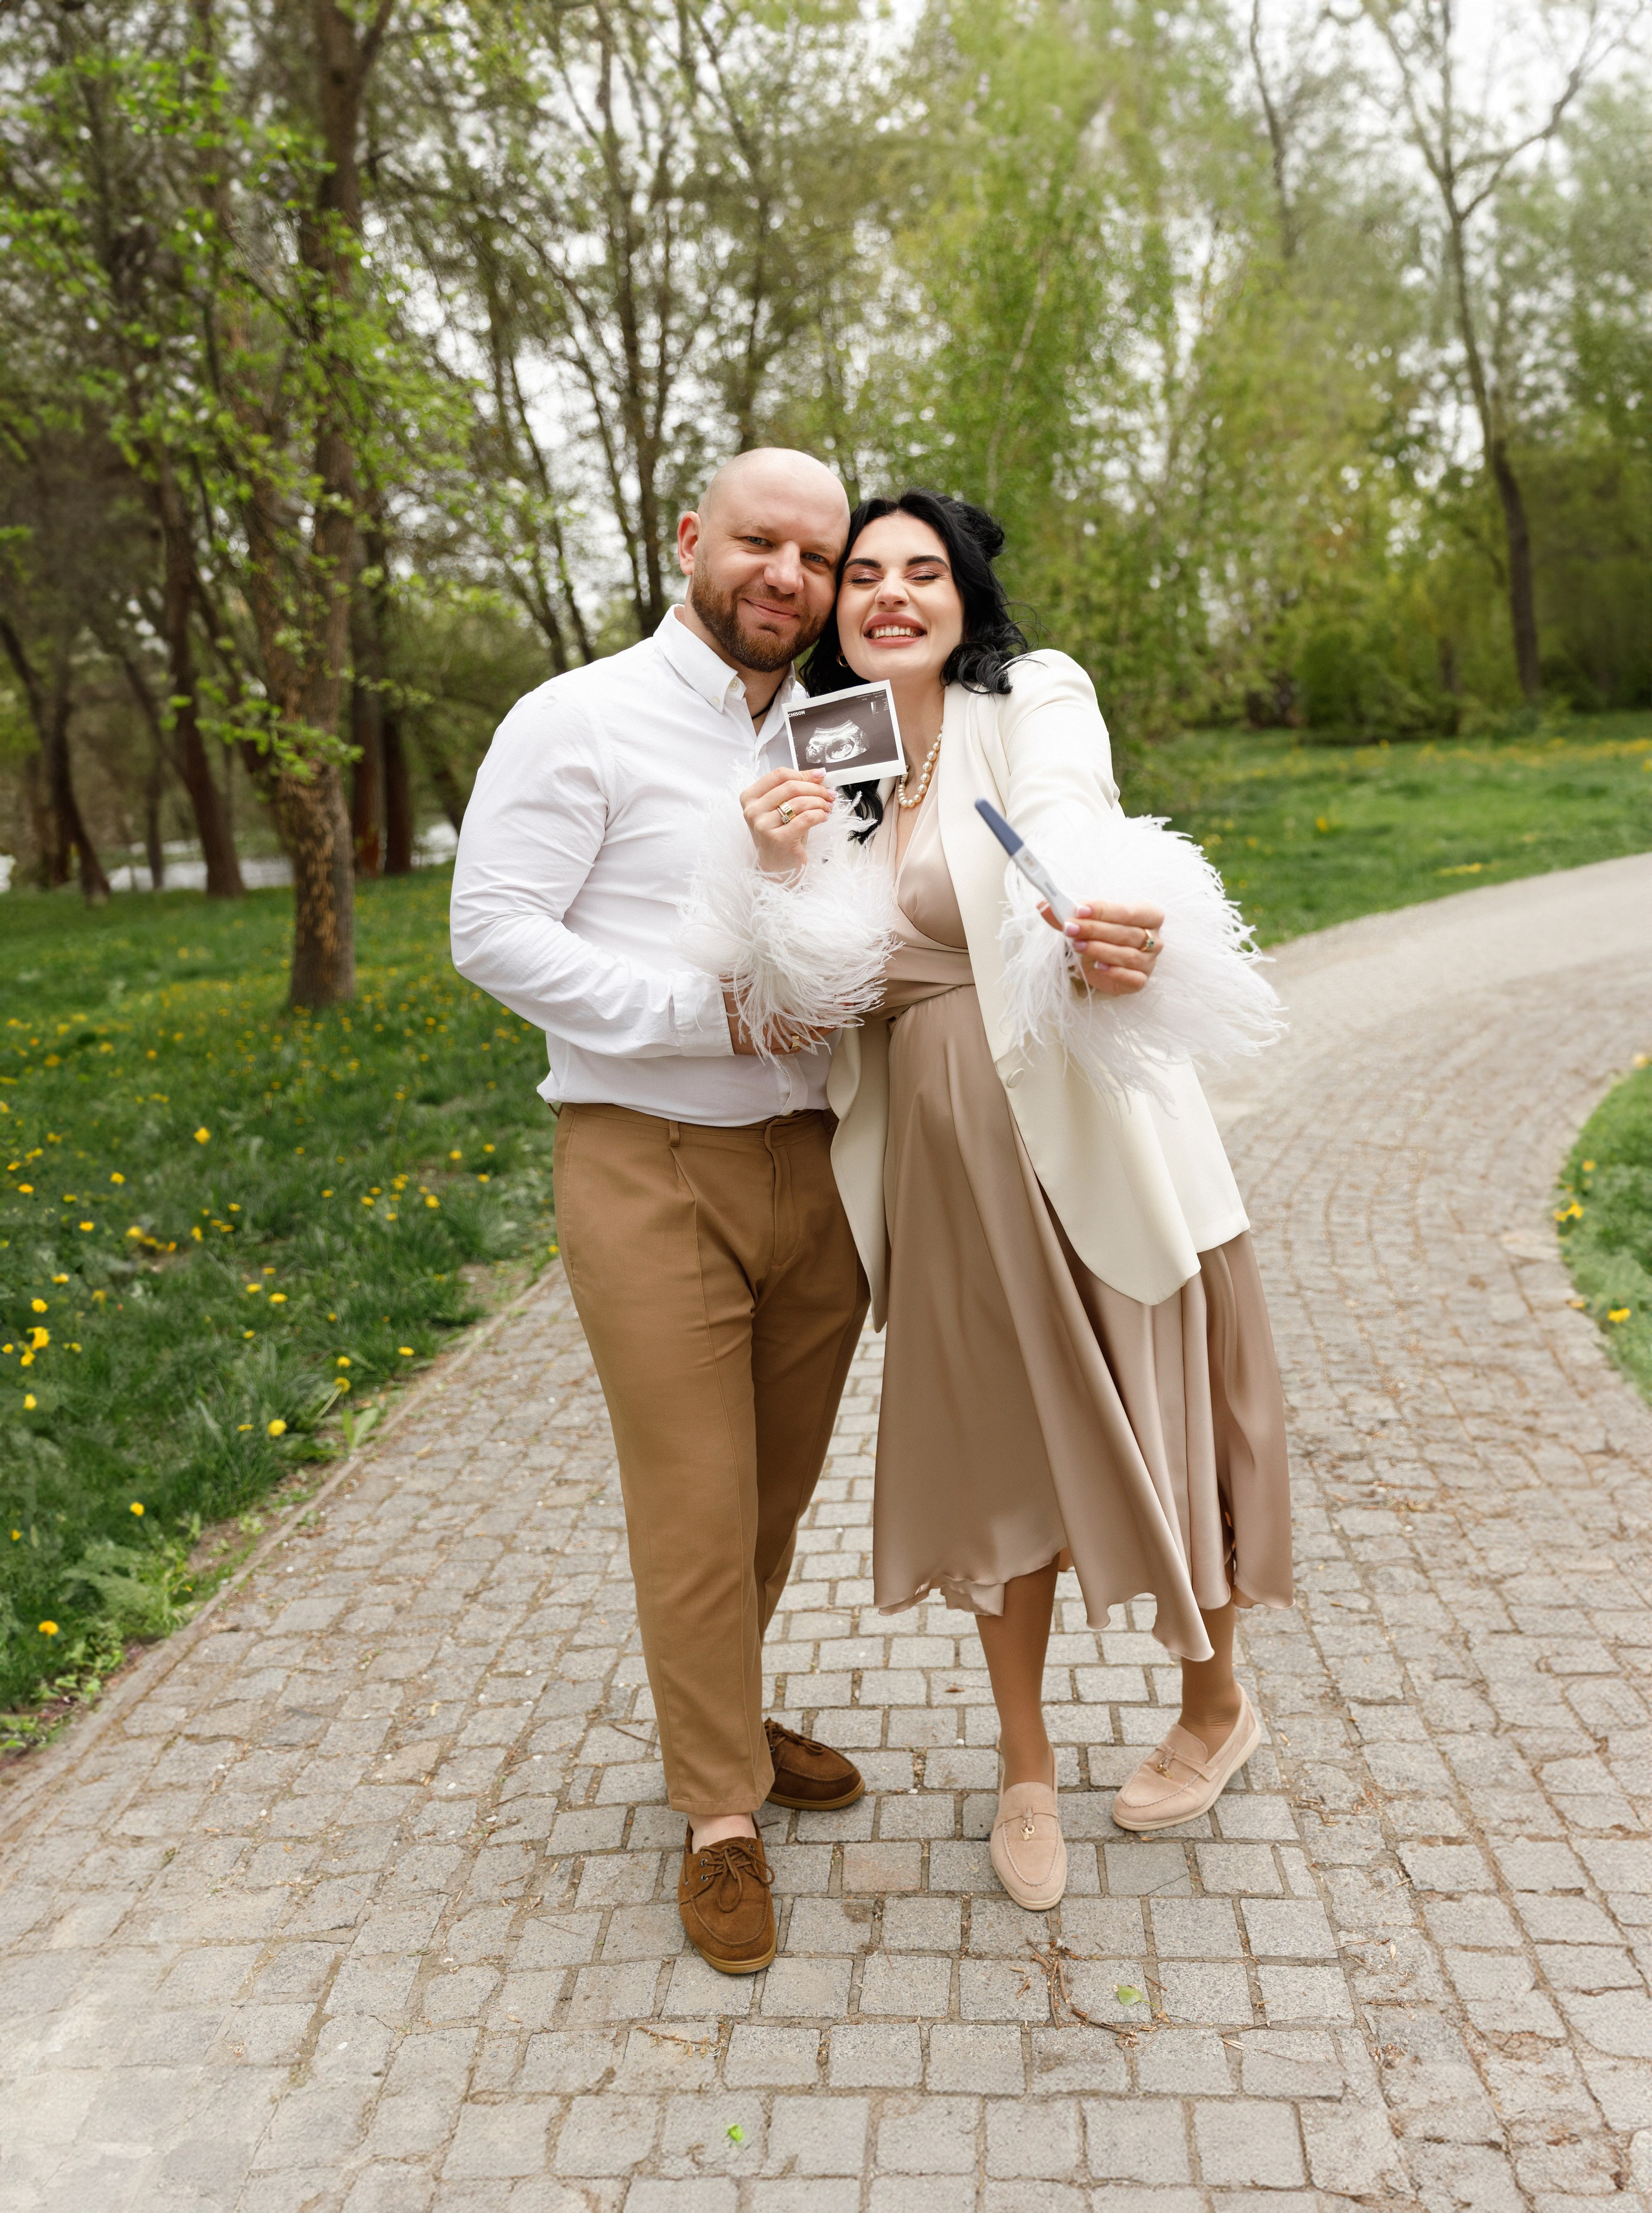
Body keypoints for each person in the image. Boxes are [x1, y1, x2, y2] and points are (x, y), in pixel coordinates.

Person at [734, 490, 1293, 1909]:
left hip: (1079, 1134)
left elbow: (1066, 822)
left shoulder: (1029, 697)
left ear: (965, 596)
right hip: (936, 1175)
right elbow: (806, 984)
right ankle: (1024, 1766)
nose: (890, 593)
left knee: (1146, 1425)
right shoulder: (824, 753)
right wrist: (775, 860)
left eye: (923, 570)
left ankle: (1213, 1702)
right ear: (836, 611)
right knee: (992, 1460)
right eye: (862, 575)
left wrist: (1109, 922)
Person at [451, 449, 872, 1977]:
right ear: (690, 537)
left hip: (815, 1171)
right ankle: (716, 1817)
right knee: (694, 1500)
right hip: (645, 1159)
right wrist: (704, 1014)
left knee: (769, 1496)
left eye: (817, 558)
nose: (790, 577)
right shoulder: (575, 717)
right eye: (761, 542)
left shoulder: (841, 732)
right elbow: (489, 930)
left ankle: (725, 1713)